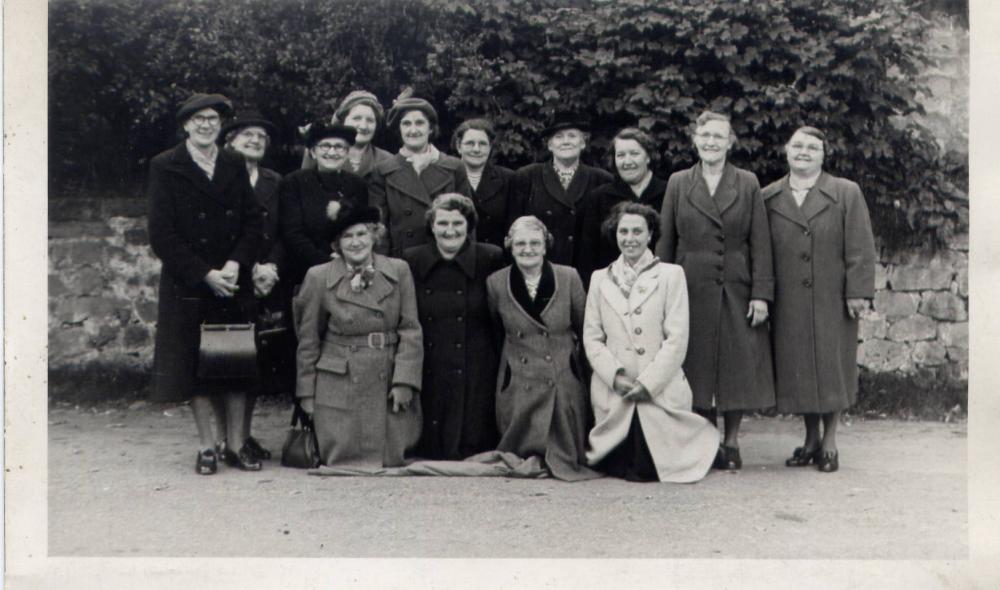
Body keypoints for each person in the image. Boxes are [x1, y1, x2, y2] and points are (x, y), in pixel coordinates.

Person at [147, 93, 263, 474]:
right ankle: (206, 446)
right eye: (198, 119)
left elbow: (251, 221)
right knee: (194, 366)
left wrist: (234, 264)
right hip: (190, 282)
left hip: (231, 279)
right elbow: (162, 235)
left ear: (220, 125)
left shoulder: (233, 162)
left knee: (235, 363)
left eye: (212, 119)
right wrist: (204, 274)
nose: (206, 125)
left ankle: (237, 443)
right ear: (185, 125)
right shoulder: (166, 166)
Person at [655, 110, 775, 471]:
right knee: (695, 362)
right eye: (705, 135)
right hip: (689, 284)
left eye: (718, 136)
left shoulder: (748, 183)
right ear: (694, 139)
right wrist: (660, 292)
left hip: (735, 284)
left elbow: (761, 241)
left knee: (736, 362)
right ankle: (704, 440)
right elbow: (665, 240)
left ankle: (732, 441)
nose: (710, 142)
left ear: (729, 142)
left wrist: (761, 293)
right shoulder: (678, 182)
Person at [762, 126, 876, 473]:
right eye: (797, 146)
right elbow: (761, 251)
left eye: (813, 147)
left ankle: (830, 442)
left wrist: (857, 292)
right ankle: (810, 439)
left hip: (832, 297)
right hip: (789, 301)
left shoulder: (845, 192)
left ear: (823, 155)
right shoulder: (768, 197)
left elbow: (860, 247)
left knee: (831, 367)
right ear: (786, 151)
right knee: (799, 370)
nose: (804, 152)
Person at [585, 203, 719, 482]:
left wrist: (649, 383)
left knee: (657, 464)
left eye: (637, 231)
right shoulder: (600, 279)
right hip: (616, 392)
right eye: (624, 231)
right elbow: (593, 338)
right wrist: (616, 377)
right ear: (615, 234)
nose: (630, 238)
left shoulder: (671, 275)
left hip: (660, 388)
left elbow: (677, 338)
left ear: (650, 235)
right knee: (616, 462)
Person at [294, 205, 424, 467]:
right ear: (337, 244)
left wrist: (405, 381)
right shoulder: (318, 277)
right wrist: (307, 394)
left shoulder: (399, 270)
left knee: (389, 461)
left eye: (362, 234)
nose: (356, 243)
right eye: (347, 236)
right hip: (339, 380)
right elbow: (308, 340)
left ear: (374, 236)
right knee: (345, 462)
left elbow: (410, 329)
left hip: (386, 376)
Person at [485, 216, 600, 481]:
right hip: (519, 377)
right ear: (510, 247)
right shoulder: (496, 283)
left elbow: (585, 328)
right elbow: (495, 330)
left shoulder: (568, 277)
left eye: (535, 243)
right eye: (520, 243)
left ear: (545, 246)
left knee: (565, 447)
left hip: (562, 374)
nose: (528, 249)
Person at [402, 193, 505, 459]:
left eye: (458, 223)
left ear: (469, 226)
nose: (450, 231)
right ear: (432, 226)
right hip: (430, 360)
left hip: (477, 362)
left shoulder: (490, 258)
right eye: (443, 223)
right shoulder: (411, 261)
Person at [218, 109, 286, 462]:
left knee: (255, 362)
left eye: (261, 137)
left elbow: (282, 229)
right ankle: (227, 440)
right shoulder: (218, 178)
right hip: (230, 278)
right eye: (248, 136)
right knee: (227, 361)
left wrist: (271, 266)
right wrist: (245, 267)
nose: (256, 141)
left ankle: (243, 435)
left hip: (265, 280)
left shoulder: (275, 181)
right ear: (229, 142)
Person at [514, 112, 613, 284]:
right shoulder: (527, 177)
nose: (566, 141)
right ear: (550, 145)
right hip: (539, 272)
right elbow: (513, 228)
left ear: (583, 142)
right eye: (559, 137)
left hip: (586, 274)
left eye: (572, 136)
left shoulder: (602, 179)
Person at [370, 91, 469, 256]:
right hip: (402, 261)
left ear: (430, 128)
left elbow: (468, 221)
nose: (413, 130)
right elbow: (379, 228)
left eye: (420, 123)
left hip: (445, 257)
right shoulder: (383, 170)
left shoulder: (454, 167)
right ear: (399, 129)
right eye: (406, 124)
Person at [280, 122, 369, 291]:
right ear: (313, 152)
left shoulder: (357, 185)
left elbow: (364, 229)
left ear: (348, 152)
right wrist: (329, 262)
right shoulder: (294, 182)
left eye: (339, 147)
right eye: (325, 146)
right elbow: (293, 234)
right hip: (306, 270)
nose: (332, 152)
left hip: (350, 271)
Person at [588, 127, 668, 270]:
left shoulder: (669, 193)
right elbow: (587, 255)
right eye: (621, 155)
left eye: (634, 154)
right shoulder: (599, 198)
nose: (627, 161)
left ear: (648, 157)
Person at [451, 118, 519, 249]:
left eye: (482, 144)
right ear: (459, 146)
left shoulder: (508, 179)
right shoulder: (447, 177)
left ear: (490, 147)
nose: (476, 149)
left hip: (496, 258)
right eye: (470, 143)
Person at [301, 90, 393, 181]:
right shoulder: (320, 153)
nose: (363, 126)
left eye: (370, 120)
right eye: (357, 118)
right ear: (343, 121)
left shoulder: (387, 160)